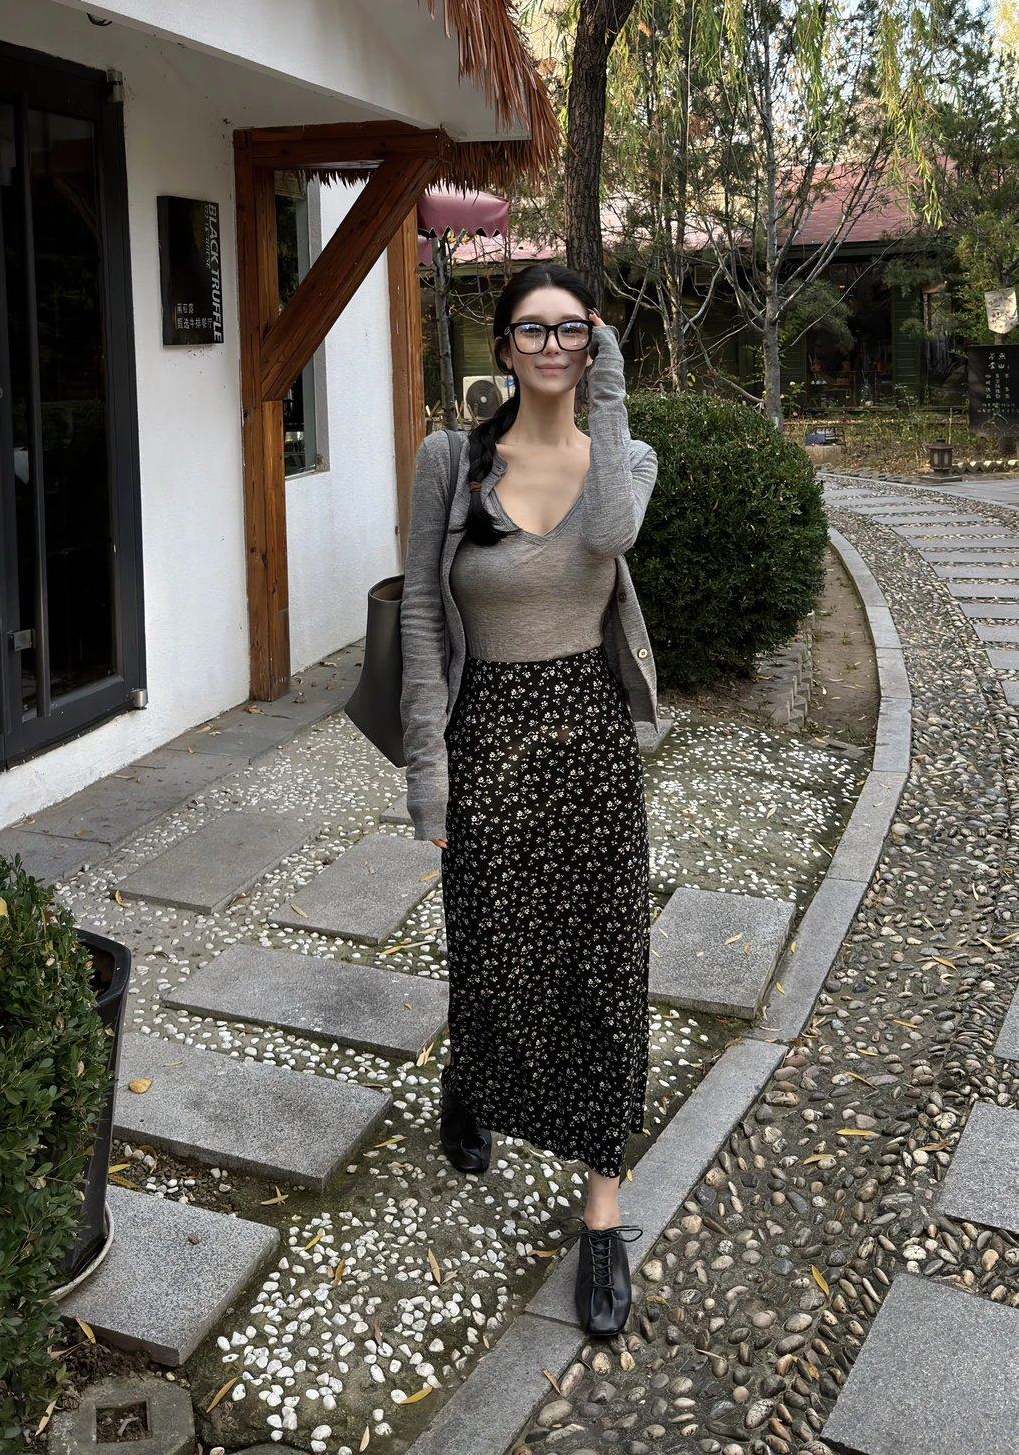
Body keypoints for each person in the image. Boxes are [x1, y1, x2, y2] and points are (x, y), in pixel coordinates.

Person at [399, 262, 660, 1340]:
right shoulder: (449, 460)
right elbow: (422, 612)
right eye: (531, 329)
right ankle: (475, 1073)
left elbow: (611, 538)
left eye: (571, 329)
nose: (551, 346)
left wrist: (610, 388)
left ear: (593, 341)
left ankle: (602, 1207)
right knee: (492, 948)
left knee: (602, 965)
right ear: (502, 345)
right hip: (486, 740)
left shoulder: (625, 459)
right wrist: (426, 768)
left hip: (590, 745)